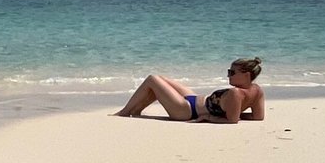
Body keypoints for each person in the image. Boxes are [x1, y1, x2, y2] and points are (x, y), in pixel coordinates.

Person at [114, 57, 266, 123]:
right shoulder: (257, 91)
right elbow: (257, 117)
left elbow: (232, 120)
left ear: (246, 75)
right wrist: (236, 112)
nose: (228, 76)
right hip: (195, 101)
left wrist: (209, 117)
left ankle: (125, 112)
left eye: (232, 73)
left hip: (186, 111)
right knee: (161, 79)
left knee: (152, 79)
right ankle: (136, 110)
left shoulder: (236, 93)